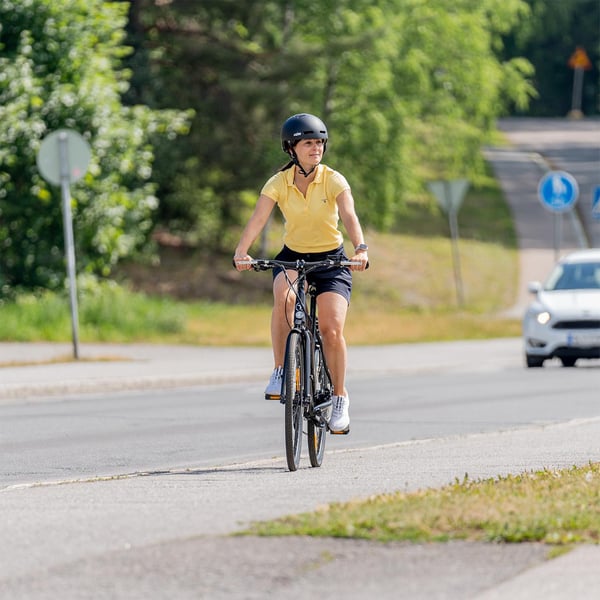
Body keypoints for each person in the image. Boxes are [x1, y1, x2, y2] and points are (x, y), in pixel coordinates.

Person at [233, 113, 368, 433]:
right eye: (308, 143)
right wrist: (242, 251)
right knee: (284, 297)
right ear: (291, 148)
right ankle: (281, 369)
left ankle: (339, 398)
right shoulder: (278, 183)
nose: (316, 148)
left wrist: (360, 248)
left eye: (320, 143)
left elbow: (349, 215)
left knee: (332, 329)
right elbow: (258, 218)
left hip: (332, 261)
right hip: (292, 257)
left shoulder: (334, 179)